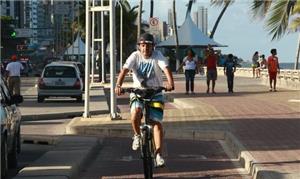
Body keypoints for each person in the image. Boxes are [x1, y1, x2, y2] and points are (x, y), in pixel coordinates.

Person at [115, 33, 174, 167]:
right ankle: (136, 135)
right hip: (138, 92)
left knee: (156, 123)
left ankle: (158, 155)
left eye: (148, 46)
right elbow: (124, 70)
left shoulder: (158, 56)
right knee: (136, 112)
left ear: (153, 47)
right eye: (143, 45)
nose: (145, 48)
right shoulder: (134, 56)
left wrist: (170, 83)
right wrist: (118, 85)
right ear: (139, 47)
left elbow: (166, 69)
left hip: (155, 92)